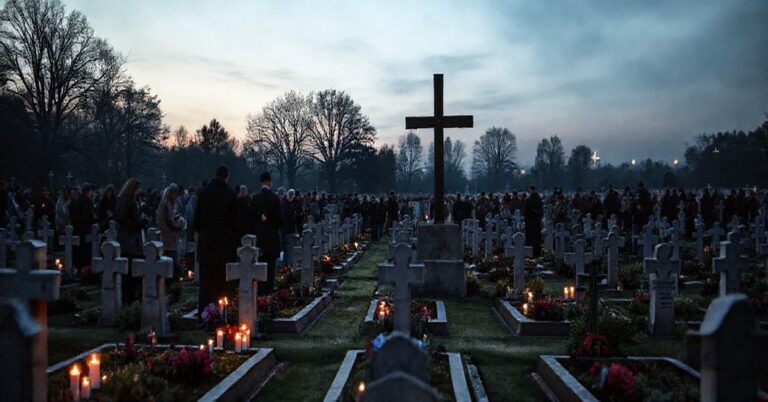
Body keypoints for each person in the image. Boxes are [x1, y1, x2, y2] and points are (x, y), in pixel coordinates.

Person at [194, 166, 237, 314]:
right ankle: (223, 314)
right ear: (227, 177)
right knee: (223, 285)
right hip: (224, 249)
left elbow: (196, 223)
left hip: (206, 247)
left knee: (206, 285)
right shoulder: (230, 195)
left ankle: (205, 315)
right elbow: (234, 223)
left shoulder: (203, 194)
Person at [250, 171, 282, 295]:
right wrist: (270, 219)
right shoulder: (274, 198)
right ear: (269, 182)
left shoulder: (255, 198)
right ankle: (268, 293)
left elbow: (251, 219)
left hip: (258, 239)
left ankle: (260, 292)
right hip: (271, 239)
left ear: (260, 182)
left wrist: (260, 219)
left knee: (259, 267)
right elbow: (279, 221)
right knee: (270, 268)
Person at [115, 178, 144, 303]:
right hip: (131, 241)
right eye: (137, 189)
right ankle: (131, 298)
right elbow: (133, 222)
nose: (138, 191)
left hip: (122, 239)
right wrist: (142, 222)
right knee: (133, 271)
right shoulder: (131, 202)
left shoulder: (120, 200)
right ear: (133, 188)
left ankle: (125, 296)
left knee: (125, 271)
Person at [157, 184, 185, 273]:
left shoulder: (172, 204)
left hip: (172, 235)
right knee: (170, 254)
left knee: (173, 253)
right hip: (168, 233)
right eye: (175, 194)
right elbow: (168, 220)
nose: (176, 196)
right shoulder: (166, 204)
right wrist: (177, 227)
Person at [69, 183, 96, 267]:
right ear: (89, 191)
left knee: (77, 249)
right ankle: (84, 268)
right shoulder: (88, 201)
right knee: (85, 251)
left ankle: (77, 267)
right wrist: (95, 220)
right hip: (85, 229)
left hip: (77, 228)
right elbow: (90, 216)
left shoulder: (77, 199)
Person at [524, 185, 543, 257]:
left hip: (532, 221)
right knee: (533, 237)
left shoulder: (532, 198)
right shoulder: (535, 198)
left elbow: (527, 209)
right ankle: (534, 252)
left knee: (533, 238)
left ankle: (533, 252)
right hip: (533, 221)